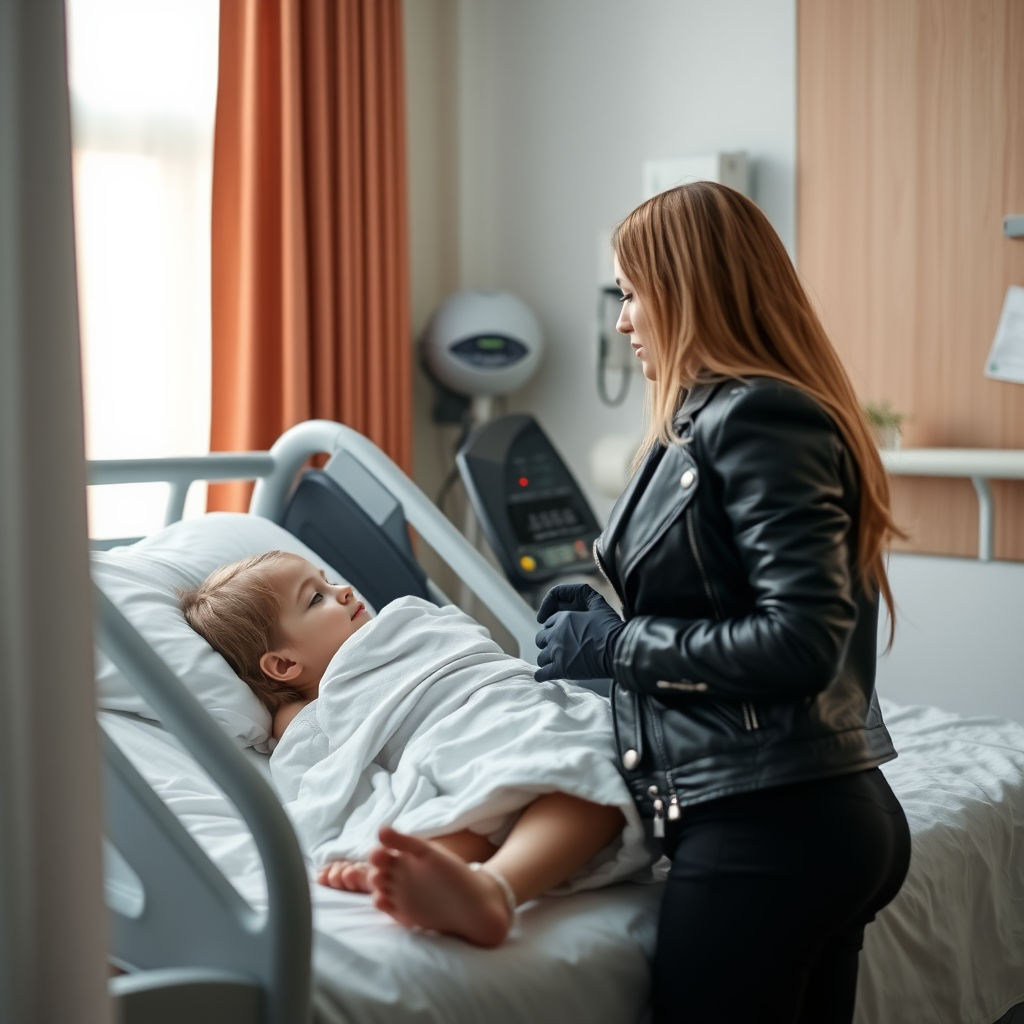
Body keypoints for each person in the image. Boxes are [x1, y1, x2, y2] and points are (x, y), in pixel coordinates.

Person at [534, 182, 912, 1023]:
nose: (624, 320)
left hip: (774, 825)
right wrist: (603, 626)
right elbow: (721, 599)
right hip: (801, 816)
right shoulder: (711, 421)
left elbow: (800, 641)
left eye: (632, 294)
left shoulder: (758, 416)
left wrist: (616, 647)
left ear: (689, 287)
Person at [180, 551, 627, 948]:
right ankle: (450, 880)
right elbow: (325, 781)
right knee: (464, 809)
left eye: (326, 580)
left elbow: (472, 647)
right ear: (283, 664)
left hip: (516, 706)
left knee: (589, 765)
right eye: (315, 598)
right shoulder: (310, 712)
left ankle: (492, 886)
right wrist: (360, 838)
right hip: (452, 747)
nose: (342, 590)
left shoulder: (408, 620)